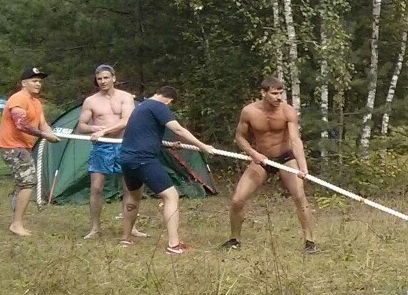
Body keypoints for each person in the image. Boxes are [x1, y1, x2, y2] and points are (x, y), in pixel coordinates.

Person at [98, 86, 211, 255]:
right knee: (171, 196)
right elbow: (178, 129)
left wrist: (169, 145)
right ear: (169, 100)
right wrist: (203, 146)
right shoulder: (159, 106)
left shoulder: (141, 107)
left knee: (134, 196)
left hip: (127, 159)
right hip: (143, 159)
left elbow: (145, 135)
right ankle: (174, 245)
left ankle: (125, 239)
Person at [223, 77, 316, 254]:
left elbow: (295, 140)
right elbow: (240, 137)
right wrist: (253, 153)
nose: (279, 97)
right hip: (262, 159)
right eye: (274, 93)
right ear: (263, 93)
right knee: (237, 200)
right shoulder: (249, 112)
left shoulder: (288, 111)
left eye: (281, 93)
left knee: (299, 195)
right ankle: (234, 240)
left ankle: (309, 242)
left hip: (286, 157)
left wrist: (303, 167)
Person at [76, 64, 142, 239]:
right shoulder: (91, 101)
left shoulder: (125, 97)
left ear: (113, 78)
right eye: (99, 79)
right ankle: (95, 228)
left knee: (129, 188)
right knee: (96, 187)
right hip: (102, 147)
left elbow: (127, 120)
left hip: (124, 145)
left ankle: (131, 227)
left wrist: (104, 130)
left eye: (106, 77)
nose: (103, 81)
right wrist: (95, 129)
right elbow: (81, 126)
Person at [0, 66, 62, 237]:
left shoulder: (36, 102)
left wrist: (52, 134)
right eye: (34, 81)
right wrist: (44, 135)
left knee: (24, 183)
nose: (38, 84)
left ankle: (16, 209)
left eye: (40, 81)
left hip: (23, 147)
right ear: (24, 83)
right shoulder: (18, 98)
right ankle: (16, 224)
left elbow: (43, 124)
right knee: (28, 182)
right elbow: (21, 124)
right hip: (12, 147)